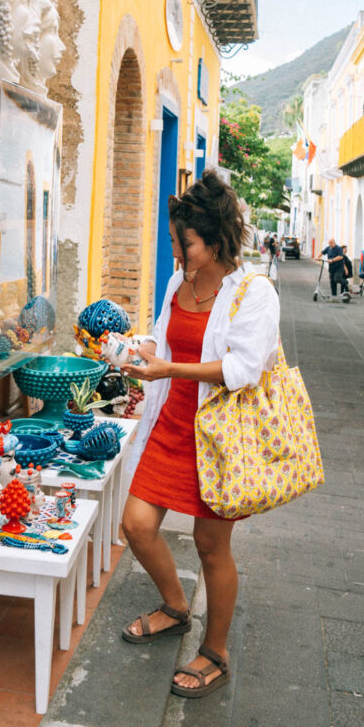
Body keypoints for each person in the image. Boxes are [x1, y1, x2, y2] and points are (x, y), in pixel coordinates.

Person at [118, 171, 280, 698]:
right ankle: (176, 606)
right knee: (136, 526)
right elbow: (166, 342)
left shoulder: (255, 293)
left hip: (219, 435)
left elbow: (243, 369)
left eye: (182, 243)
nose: (176, 251)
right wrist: (135, 352)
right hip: (170, 421)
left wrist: (168, 370)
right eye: (174, 240)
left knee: (212, 545)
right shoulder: (176, 283)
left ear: (212, 241)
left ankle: (216, 651)